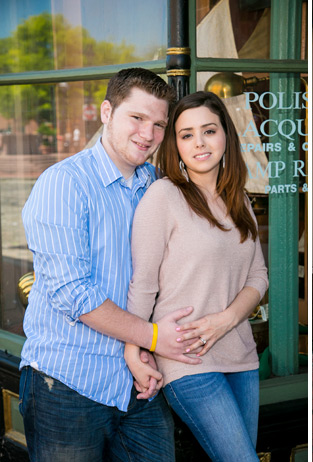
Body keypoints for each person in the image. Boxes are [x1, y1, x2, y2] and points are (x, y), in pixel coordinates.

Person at [19, 68, 202, 462]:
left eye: (158, 124)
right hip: (67, 385)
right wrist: (153, 338)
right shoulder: (63, 184)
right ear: (107, 112)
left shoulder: (155, 182)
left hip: (138, 381)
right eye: (136, 118)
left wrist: (144, 349)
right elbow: (74, 294)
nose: (148, 134)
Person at [124, 91, 268, 461]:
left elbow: (259, 277)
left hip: (241, 355)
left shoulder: (238, 199)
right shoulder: (164, 196)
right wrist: (133, 349)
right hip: (187, 359)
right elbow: (143, 283)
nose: (199, 143)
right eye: (186, 134)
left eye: (209, 130)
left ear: (226, 137)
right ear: (175, 144)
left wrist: (226, 320)